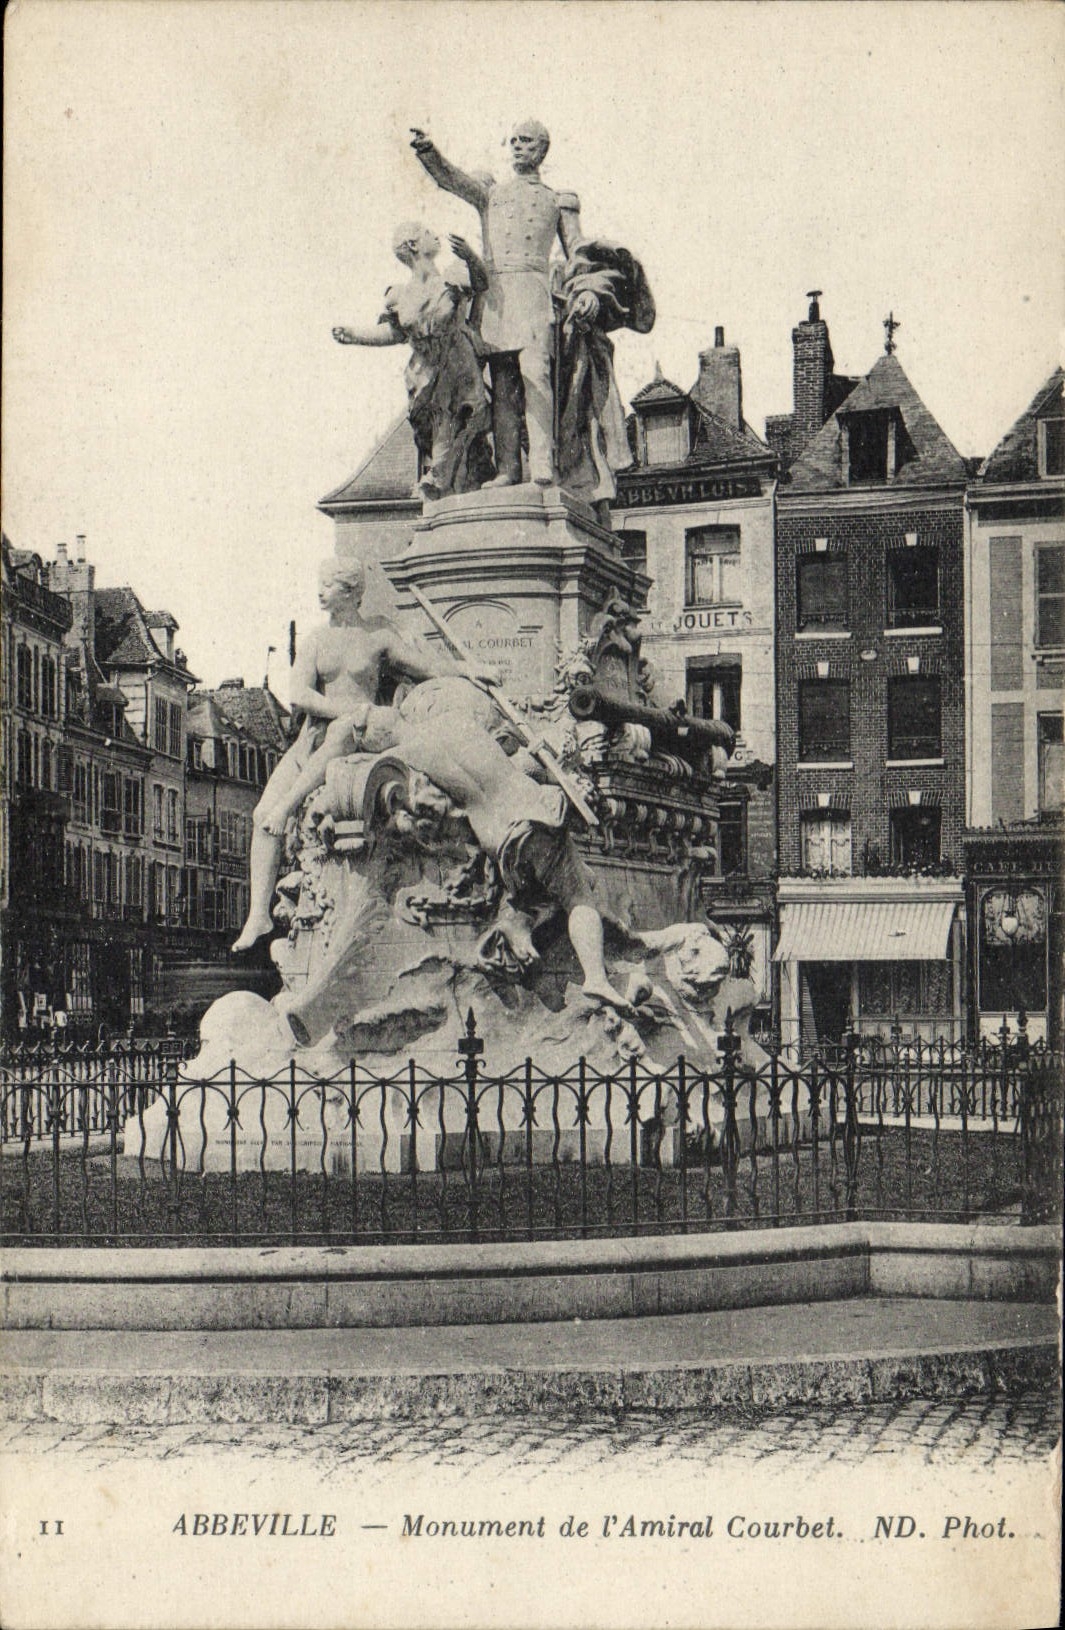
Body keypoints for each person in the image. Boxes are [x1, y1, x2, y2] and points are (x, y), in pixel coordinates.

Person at [231, 556, 493, 952]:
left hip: (357, 734)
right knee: (259, 816)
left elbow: (426, 668)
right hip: (314, 737)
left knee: (330, 750)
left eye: (329, 585)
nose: (320, 591)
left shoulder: (377, 636)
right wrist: (343, 709)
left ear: (352, 591)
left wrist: (468, 670)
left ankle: (288, 808)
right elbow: (299, 695)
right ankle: (258, 915)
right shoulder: (316, 640)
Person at [393, 691, 630, 1011]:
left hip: (494, 839)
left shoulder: (415, 752)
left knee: (541, 891)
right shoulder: (467, 725)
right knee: (578, 895)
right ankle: (596, 978)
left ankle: (516, 936)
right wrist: (544, 754)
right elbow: (523, 760)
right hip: (529, 814)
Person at [410, 120, 593, 488]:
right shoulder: (491, 195)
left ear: (542, 149)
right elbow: (452, 180)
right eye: (513, 141)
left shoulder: (557, 201)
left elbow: (578, 253)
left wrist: (585, 289)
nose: (517, 147)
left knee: (536, 374)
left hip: (533, 293)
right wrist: (429, 151)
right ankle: (508, 469)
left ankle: (542, 463)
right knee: (505, 384)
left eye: (526, 141)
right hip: (497, 298)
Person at [333, 222, 492, 499]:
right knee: (442, 422)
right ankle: (451, 480)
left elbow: (481, 283)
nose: (435, 235)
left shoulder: (453, 276)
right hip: (425, 370)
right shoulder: (400, 295)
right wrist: (355, 335)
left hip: (458, 362)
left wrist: (471, 257)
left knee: (460, 417)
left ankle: (438, 478)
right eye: (428, 233)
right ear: (414, 245)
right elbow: (395, 333)